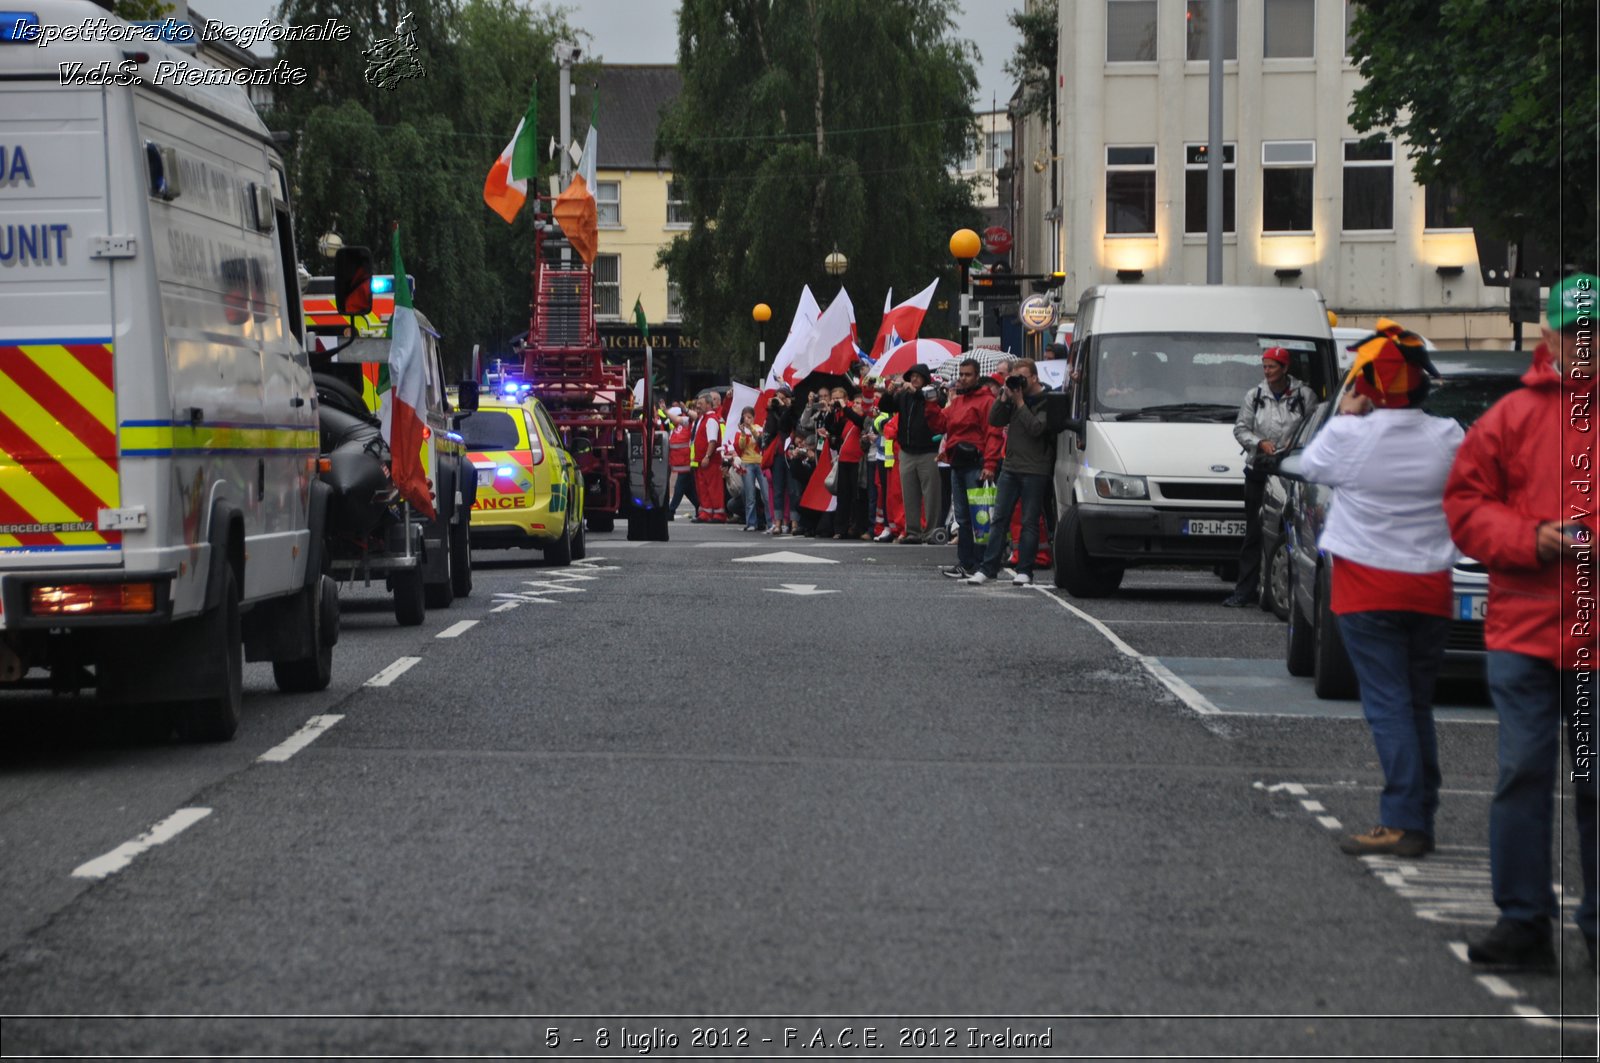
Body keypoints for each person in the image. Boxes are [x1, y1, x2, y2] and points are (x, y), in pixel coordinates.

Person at [1445, 273, 1599, 970]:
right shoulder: (1509, 417)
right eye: (1576, 333)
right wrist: (1531, 537)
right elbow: (1467, 506)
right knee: (1523, 773)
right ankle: (1524, 920)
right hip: (1526, 630)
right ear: (1551, 336)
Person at [1298, 323, 1463, 858]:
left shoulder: (1350, 435)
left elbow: (1310, 465)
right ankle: (1419, 815)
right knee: (1416, 705)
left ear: (1369, 386)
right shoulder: (1449, 436)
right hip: (1431, 589)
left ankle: (1400, 822)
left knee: (1388, 705)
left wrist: (1347, 414)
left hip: (1366, 587)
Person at [1223, 345, 1317, 607]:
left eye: (1272, 367)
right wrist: (1259, 442)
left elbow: (1312, 427)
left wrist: (1293, 446)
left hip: (1291, 470)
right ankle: (1244, 592)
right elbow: (1241, 428)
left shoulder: (1304, 395)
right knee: (1254, 531)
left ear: (1285, 368)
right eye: (1264, 366)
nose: (1267, 371)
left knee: (1289, 530)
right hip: (1259, 469)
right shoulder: (1255, 395)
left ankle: (1288, 593)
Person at [967, 358, 1055, 587]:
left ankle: (1025, 570)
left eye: (1023, 377)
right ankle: (988, 568)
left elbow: (1037, 429)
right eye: (1016, 378)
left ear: (1034, 377)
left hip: (1035, 469)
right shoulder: (1014, 397)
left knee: (1029, 521)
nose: (1019, 382)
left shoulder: (1047, 399)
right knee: (999, 520)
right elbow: (994, 420)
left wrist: (1019, 403)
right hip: (1010, 467)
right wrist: (1005, 397)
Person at [938, 358, 1004, 578]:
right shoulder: (957, 402)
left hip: (976, 465)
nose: (963, 378)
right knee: (964, 518)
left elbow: (993, 434)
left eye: (968, 374)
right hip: (958, 464)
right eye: (962, 374)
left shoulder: (986, 401)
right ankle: (967, 563)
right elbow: (941, 424)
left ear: (977, 376)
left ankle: (981, 564)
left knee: (980, 517)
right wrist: (929, 404)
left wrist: (990, 464)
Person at [883, 364, 944, 543]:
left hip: (927, 451)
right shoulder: (904, 395)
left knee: (931, 494)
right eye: (912, 376)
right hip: (907, 451)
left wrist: (916, 392)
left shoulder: (932, 392)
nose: (914, 379)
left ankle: (931, 531)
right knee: (909, 493)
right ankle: (913, 531)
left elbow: (936, 402)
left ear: (925, 378)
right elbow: (886, 406)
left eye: (918, 376)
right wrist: (889, 392)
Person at [764, 386, 800, 534]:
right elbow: (772, 429)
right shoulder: (773, 412)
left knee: (793, 490)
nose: (779, 400)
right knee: (778, 489)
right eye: (777, 397)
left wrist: (786, 408)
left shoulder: (792, 411)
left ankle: (794, 522)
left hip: (791, 451)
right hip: (778, 453)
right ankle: (777, 522)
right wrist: (771, 410)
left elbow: (790, 425)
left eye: (782, 397)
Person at [690, 393, 726, 523]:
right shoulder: (703, 418)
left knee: (713, 487)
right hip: (702, 461)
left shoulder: (711, 420)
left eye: (701, 403)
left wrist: (707, 456)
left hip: (710, 461)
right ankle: (706, 512)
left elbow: (712, 440)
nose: (698, 406)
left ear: (709, 405)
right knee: (703, 488)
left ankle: (718, 513)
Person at [733, 407, 768, 531]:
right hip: (747, 464)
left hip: (759, 463)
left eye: (749, 417)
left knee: (766, 495)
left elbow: (759, 441)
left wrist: (750, 427)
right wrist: (743, 433)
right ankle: (751, 523)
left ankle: (770, 522)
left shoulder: (758, 428)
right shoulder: (740, 432)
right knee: (750, 496)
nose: (747, 419)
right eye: (745, 417)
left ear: (753, 417)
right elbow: (741, 447)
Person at [665, 405, 696, 519]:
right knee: (686, 489)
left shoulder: (685, 423)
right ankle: (699, 506)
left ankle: (671, 511)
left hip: (687, 462)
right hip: (681, 463)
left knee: (679, 487)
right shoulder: (676, 427)